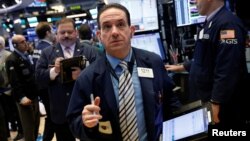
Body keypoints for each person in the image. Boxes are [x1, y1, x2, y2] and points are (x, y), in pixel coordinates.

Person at [66, 3, 180, 141]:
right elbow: (73, 122)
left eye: (120, 24)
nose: (114, 32)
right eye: (107, 27)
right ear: (99, 35)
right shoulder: (87, 78)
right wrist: (86, 124)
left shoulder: (153, 62)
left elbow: (170, 101)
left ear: (131, 30)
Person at [165, 0, 249, 129]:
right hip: (207, 100)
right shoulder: (210, 22)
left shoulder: (228, 24)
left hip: (223, 108)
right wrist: (183, 66)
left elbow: (228, 68)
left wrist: (216, 102)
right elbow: (206, 59)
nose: (193, 1)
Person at [35, 18, 99, 141]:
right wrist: (55, 71)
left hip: (86, 109)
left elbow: (101, 76)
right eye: (62, 32)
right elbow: (38, 78)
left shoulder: (90, 51)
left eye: (69, 32)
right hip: (60, 111)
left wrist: (84, 74)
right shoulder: (47, 53)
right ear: (57, 34)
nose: (66, 35)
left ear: (76, 32)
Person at [5, 35, 40, 141]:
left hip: (33, 95)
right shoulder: (11, 59)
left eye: (25, 41)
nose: (26, 43)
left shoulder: (26, 55)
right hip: (24, 98)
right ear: (15, 45)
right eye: (22, 42)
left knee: (36, 124)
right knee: (28, 127)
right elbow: (14, 81)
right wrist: (21, 97)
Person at [34, 21, 56, 141]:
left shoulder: (37, 47)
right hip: (48, 88)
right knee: (54, 117)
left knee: (51, 116)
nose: (54, 33)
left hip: (41, 88)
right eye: (52, 30)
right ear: (48, 33)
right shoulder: (48, 49)